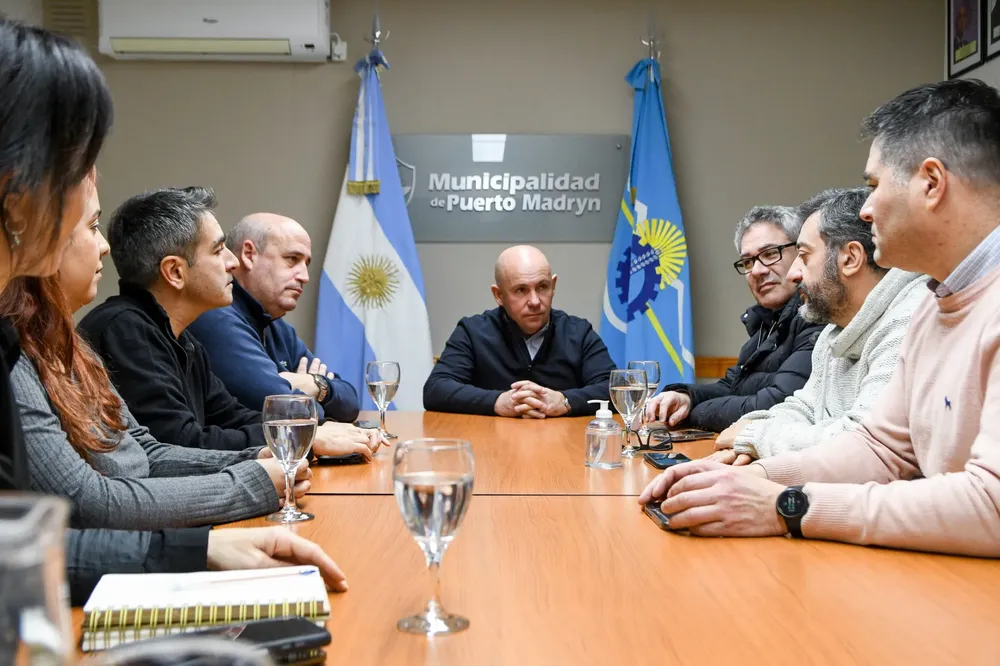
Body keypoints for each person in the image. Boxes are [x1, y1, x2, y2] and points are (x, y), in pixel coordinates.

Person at [0, 19, 344, 617]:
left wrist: (204, 541)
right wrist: (241, 495)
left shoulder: (43, 338)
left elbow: (144, 455)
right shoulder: (89, 334)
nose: (99, 236)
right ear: (16, 188)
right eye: (74, 179)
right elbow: (85, 503)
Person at [639, 79, 1000, 557]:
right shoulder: (936, 303)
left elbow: (992, 505)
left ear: (931, 183)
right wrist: (750, 478)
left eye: (874, 186)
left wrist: (788, 506)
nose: (865, 211)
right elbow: (881, 449)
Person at [3, 187, 311, 530]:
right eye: (92, 227)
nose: (104, 246)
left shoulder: (73, 343)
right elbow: (88, 501)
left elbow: (145, 451)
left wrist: (254, 457)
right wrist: (250, 482)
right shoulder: (112, 330)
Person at [78, 187, 379, 459]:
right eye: (218, 250)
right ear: (175, 272)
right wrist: (300, 435)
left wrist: (307, 430)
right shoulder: (126, 330)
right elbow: (180, 443)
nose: (232, 263)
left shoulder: (180, 336)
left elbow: (232, 415)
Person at [710, 187, 927, 464]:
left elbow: (862, 444)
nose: (794, 273)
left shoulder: (911, 319)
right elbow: (804, 407)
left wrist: (755, 437)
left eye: (804, 255)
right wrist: (752, 435)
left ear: (850, 258)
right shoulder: (833, 331)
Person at [645, 206, 824, 432]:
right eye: (748, 262)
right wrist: (686, 397)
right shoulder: (766, 324)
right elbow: (733, 386)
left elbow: (777, 404)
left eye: (770, 254)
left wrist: (694, 412)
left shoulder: (817, 314)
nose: (757, 270)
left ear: (800, 254)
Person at [188, 212, 359, 420]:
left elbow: (351, 403)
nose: (304, 277)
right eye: (292, 259)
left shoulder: (276, 325)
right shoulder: (216, 315)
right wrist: (317, 401)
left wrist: (313, 384)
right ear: (249, 254)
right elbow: (288, 413)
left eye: (306, 264)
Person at [423, 245, 615, 417]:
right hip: (490, 445)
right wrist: (497, 402)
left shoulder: (578, 332)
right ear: (499, 295)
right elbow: (436, 389)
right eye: (521, 290)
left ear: (553, 286)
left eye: (542, 287)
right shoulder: (472, 332)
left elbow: (615, 388)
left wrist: (565, 401)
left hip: (565, 444)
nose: (534, 301)